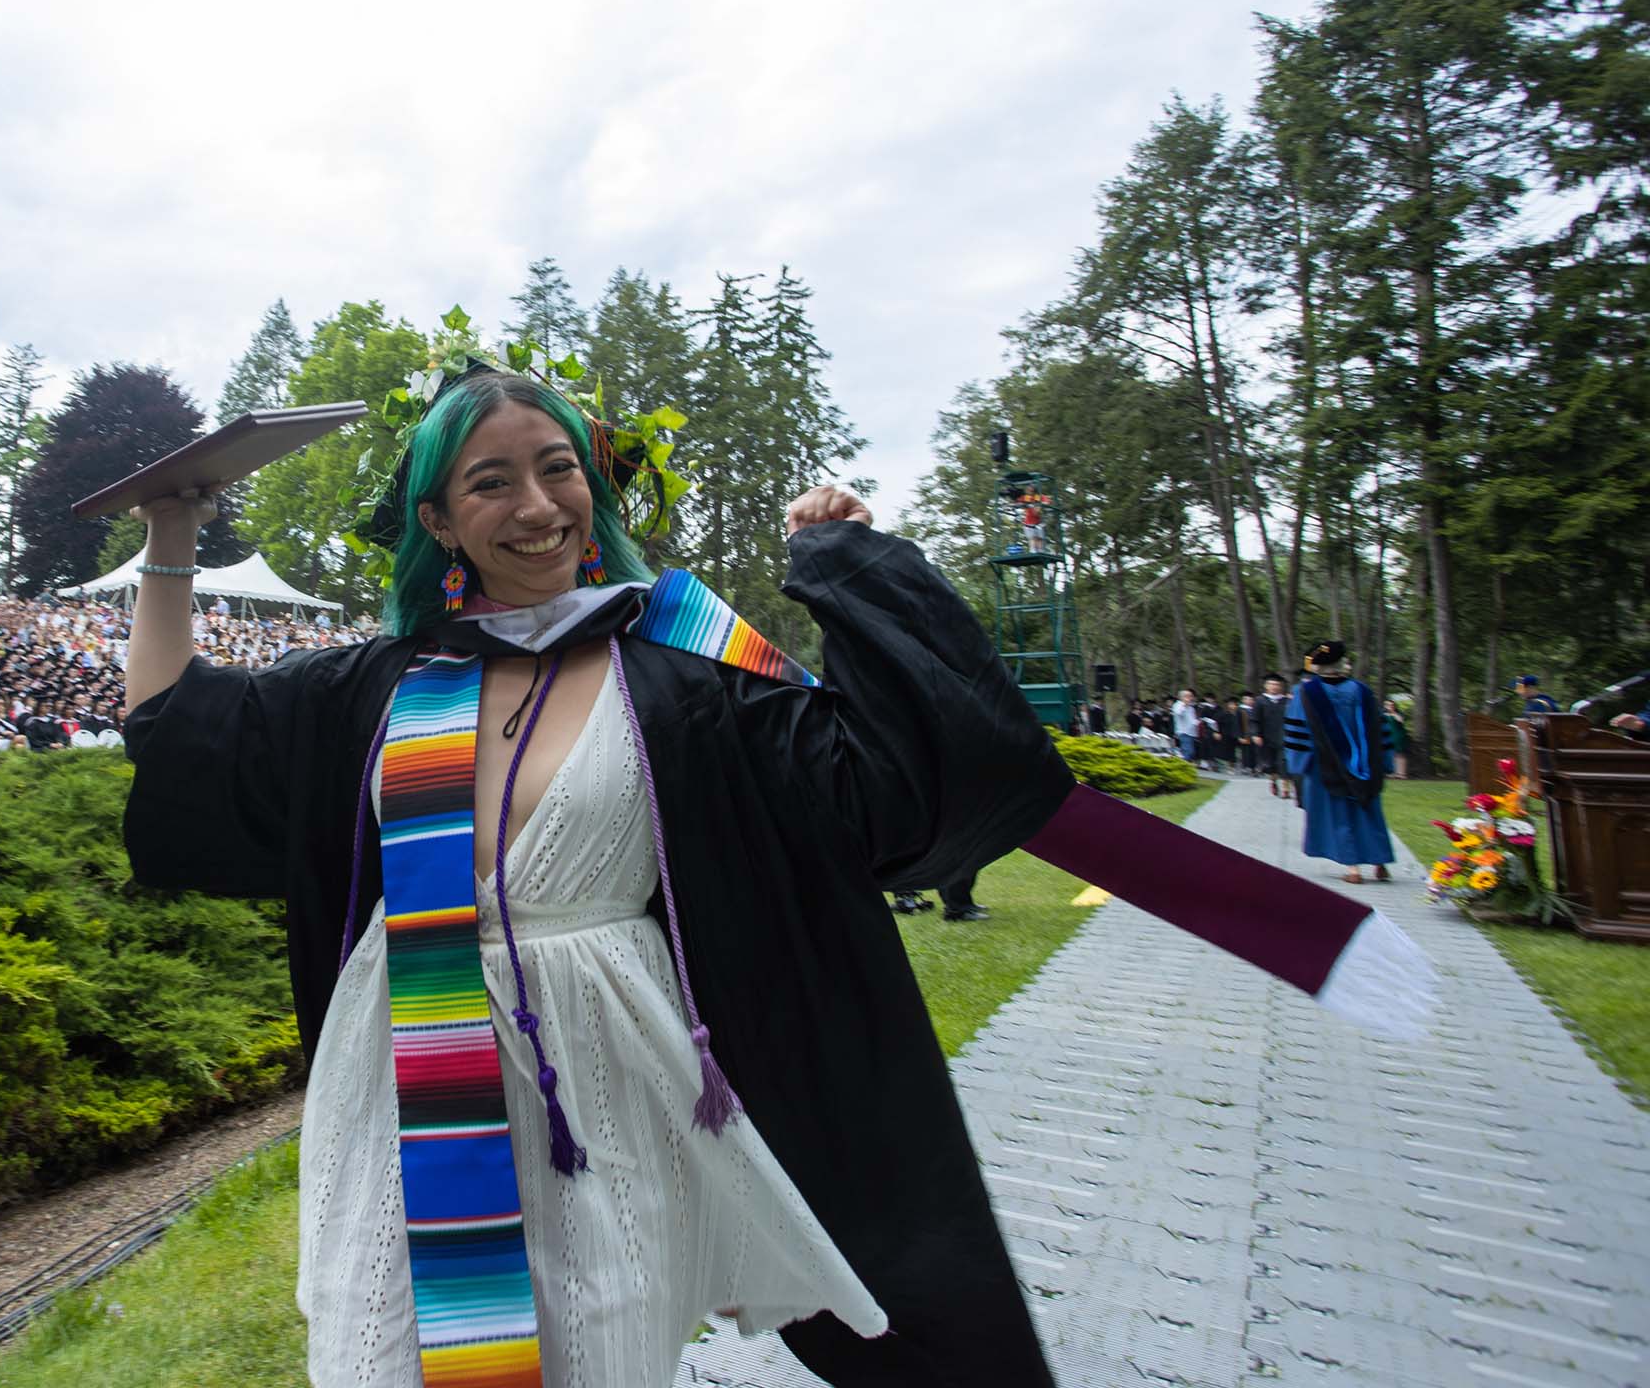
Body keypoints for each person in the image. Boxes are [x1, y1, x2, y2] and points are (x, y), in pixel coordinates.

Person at [122, 364, 1082, 1385]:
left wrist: (851, 567)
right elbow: (178, 733)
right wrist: (170, 536)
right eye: (492, 482)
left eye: (558, 469)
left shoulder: (684, 671)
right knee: (388, 1352)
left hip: (608, 1081)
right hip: (411, 1079)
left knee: (598, 1353)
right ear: (439, 519)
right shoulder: (379, 688)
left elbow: (901, 777)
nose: (538, 507)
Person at [1284, 639, 1394, 883]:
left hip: (1325, 766)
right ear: (1342, 664)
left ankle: (1353, 869)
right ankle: (1381, 863)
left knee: (1340, 814)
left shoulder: (1305, 693)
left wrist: (1297, 765)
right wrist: (1384, 762)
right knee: (1369, 811)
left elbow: (1297, 734)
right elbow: (1381, 729)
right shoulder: (1363, 691)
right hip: (1365, 766)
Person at [1251, 673, 1293, 798]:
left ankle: (1286, 788)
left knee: (1284, 762)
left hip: (1284, 736)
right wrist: (1255, 734)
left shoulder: (1287, 701)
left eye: (1277, 684)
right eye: (1271, 684)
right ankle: (1273, 781)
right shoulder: (1260, 701)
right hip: (1266, 737)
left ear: (1281, 686)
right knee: (1271, 763)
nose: (1274, 687)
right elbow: (1254, 719)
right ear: (1266, 686)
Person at [1170, 688, 1199, 762]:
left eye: (1190, 696)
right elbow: (1179, 713)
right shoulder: (1178, 705)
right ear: (1181, 697)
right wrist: (1184, 704)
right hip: (1184, 732)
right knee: (1188, 751)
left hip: (1192, 732)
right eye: (1187, 696)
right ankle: (1183, 764)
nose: (1189, 698)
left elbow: (1192, 720)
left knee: (1192, 752)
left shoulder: (1191, 708)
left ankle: (1183, 762)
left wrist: (1198, 723)